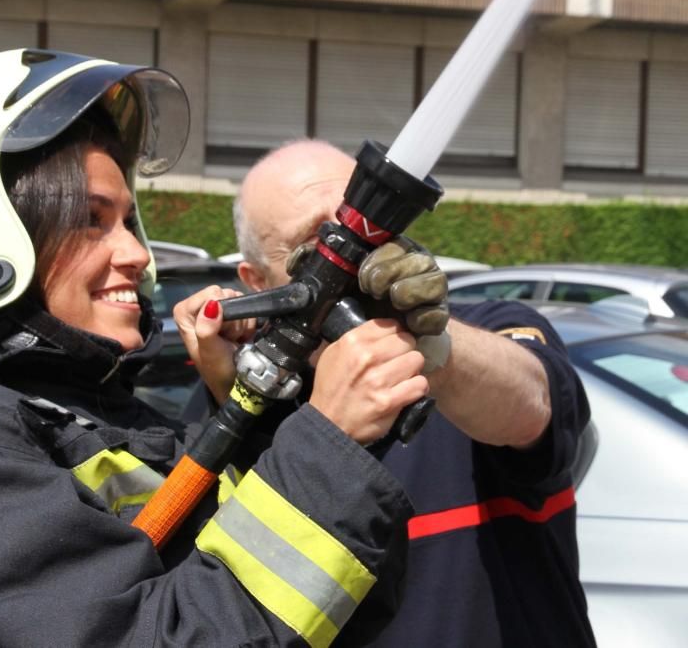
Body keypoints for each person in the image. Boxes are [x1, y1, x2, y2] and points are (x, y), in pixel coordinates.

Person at [0, 51, 433, 647]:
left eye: (128, 222)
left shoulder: (104, 420)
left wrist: (260, 412)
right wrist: (324, 444)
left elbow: (341, 608)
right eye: (90, 220)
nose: (138, 255)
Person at [186, 138, 595, 647]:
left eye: (357, 227)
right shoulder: (249, 406)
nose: (345, 257)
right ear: (256, 280)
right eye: (314, 242)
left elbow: (533, 407)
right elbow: (218, 604)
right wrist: (236, 399)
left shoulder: (486, 333)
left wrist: (427, 343)